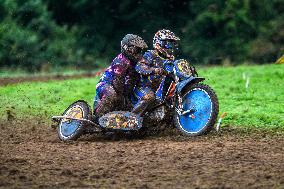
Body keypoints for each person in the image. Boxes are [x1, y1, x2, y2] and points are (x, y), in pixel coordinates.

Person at [94, 34, 148, 119]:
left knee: (131, 107)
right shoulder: (121, 61)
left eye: (139, 50)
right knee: (112, 95)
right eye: (136, 50)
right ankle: (97, 118)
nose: (138, 53)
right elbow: (117, 84)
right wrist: (123, 97)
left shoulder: (137, 62)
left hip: (123, 89)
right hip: (106, 84)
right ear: (127, 48)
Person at [131, 29, 180, 115]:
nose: (169, 47)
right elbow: (139, 67)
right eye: (167, 43)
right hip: (144, 88)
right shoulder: (150, 55)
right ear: (158, 43)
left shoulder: (171, 60)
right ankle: (131, 118)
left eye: (171, 44)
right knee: (149, 97)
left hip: (161, 90)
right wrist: (154, 70)